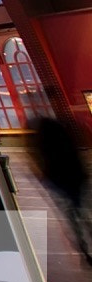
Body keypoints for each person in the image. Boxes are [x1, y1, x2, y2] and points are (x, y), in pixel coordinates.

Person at [28, 113, 91, 264]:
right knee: (83, 211)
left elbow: (37, 162)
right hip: (74, 177)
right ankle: (86, 235)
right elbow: (76, 153)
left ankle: (83, 248)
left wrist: (42, 177)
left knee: (71, 216)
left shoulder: (40, 142)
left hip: (57, 181)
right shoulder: (64, 137)